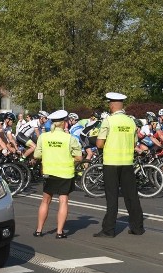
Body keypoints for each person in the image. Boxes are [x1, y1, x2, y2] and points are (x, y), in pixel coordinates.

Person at [93, 92, 144, 238]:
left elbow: (100, 143)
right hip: (127, 162)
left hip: (111, 162)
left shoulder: (108, 121)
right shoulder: (131, 121)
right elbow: (134, 143)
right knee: (131, 196)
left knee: (112, 196)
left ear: (112, 105)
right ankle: (137, 228)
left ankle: (108, 230)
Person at [33, 110, 82, 239]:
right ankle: (59, 232)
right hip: (65, 173)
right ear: (64, 123)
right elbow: (79, 157)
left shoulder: (44, 137)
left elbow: (37, 155)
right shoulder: (69, 138)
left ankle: (39, 230)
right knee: (63, 201)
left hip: (49, 172)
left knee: (45, 201)